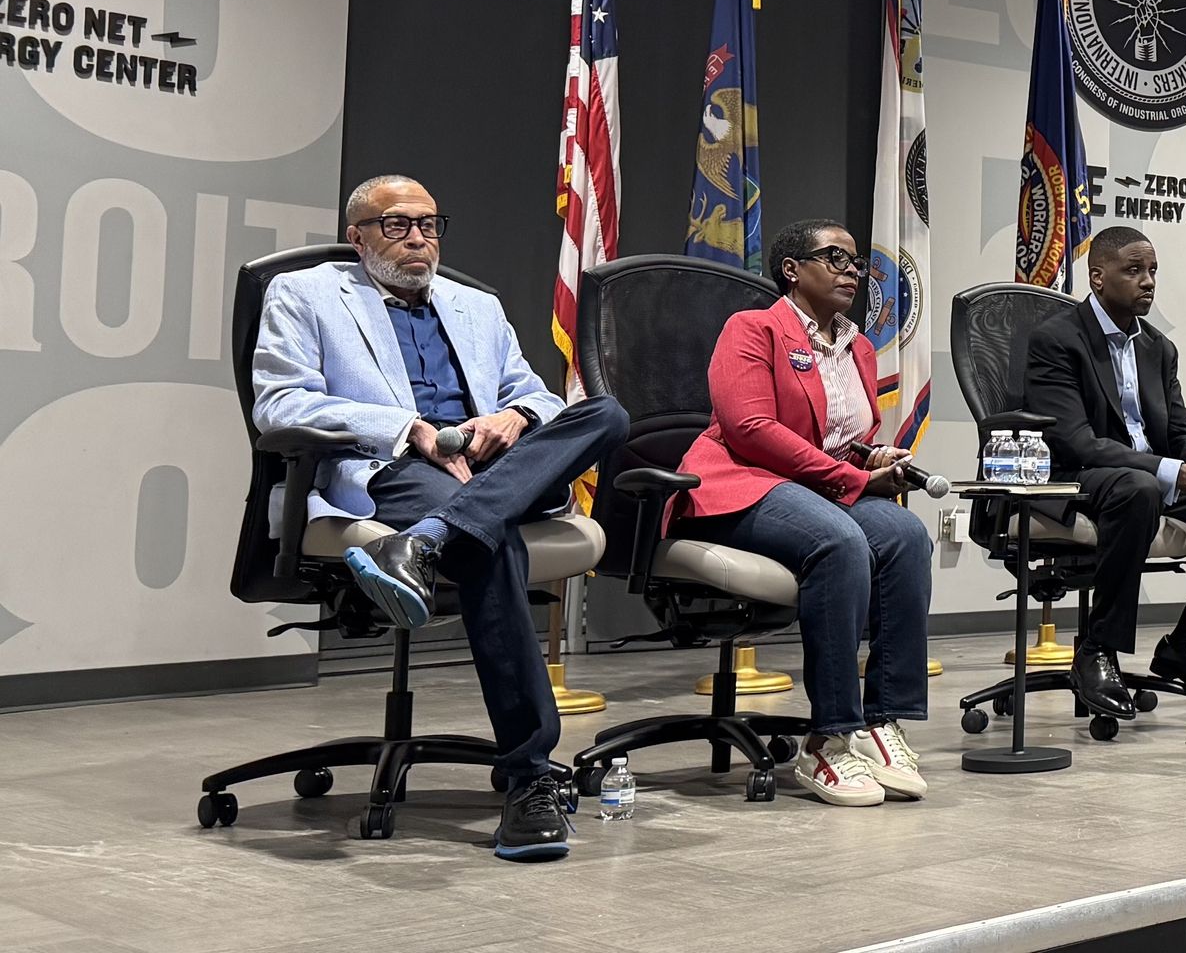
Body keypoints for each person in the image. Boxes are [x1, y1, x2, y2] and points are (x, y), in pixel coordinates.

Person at [252, 174, 630, 861]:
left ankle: (423, 545)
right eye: (396, 225)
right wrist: (408, 427)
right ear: (357, 237)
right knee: (492, 542)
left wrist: (513, 418)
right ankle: (528, 779)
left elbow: (534, 394)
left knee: (605, 413)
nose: (419, 238)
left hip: (490, 467)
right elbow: (280, 406)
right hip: (391, 467)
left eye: (428, 224)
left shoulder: (475, 306)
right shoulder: (305, 294)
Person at [670, 218, 934, 808]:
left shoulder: (858, 345)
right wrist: (854, 477)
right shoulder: (753, 327)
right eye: (835, 258)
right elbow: (752, 428)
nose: (852, 271)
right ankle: (831, 737)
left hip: (815, 488)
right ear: (793, 270)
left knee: (906, 535)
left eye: (856, 261)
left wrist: (870, 454)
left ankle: (881, 721)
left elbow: (837, 434)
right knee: (840, 541)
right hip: (739, 483)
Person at [1023, 225, 1186, 721]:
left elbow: (1180, 429)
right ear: (1098, 277)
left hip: (1150, 479)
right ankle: (1098, 649)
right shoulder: (1056, 339)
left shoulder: (1158, 348)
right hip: (1079, 478)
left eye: (1153, 271)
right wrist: (1176, 472)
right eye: (1134, 270)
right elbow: (1077, 442)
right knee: (1140, 485)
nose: (1148, 282)